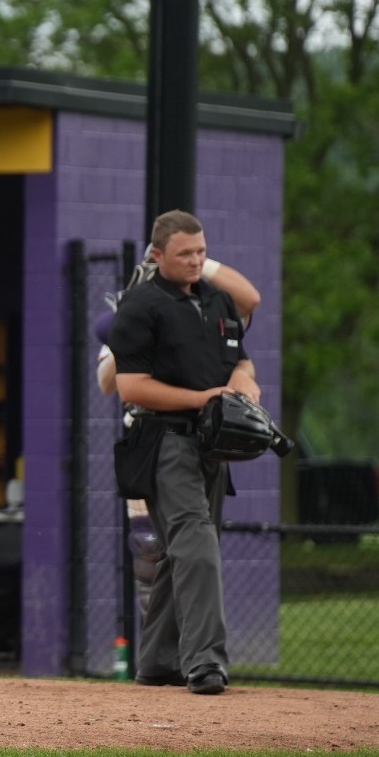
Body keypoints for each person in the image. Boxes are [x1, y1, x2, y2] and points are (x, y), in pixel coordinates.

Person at [108, 210, 259, 696]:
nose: (195, 262)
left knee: (183, 553)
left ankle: (156, 661)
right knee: (197, 543)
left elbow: (241, 362)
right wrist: (203, 398)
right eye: (184, 254)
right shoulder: (140, 304)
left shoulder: (218, 301)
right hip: (164, 441)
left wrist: (241, 385)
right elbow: (129, 386)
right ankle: (205, 663)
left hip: (211, 443)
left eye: (201, 252)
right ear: (157, 257)